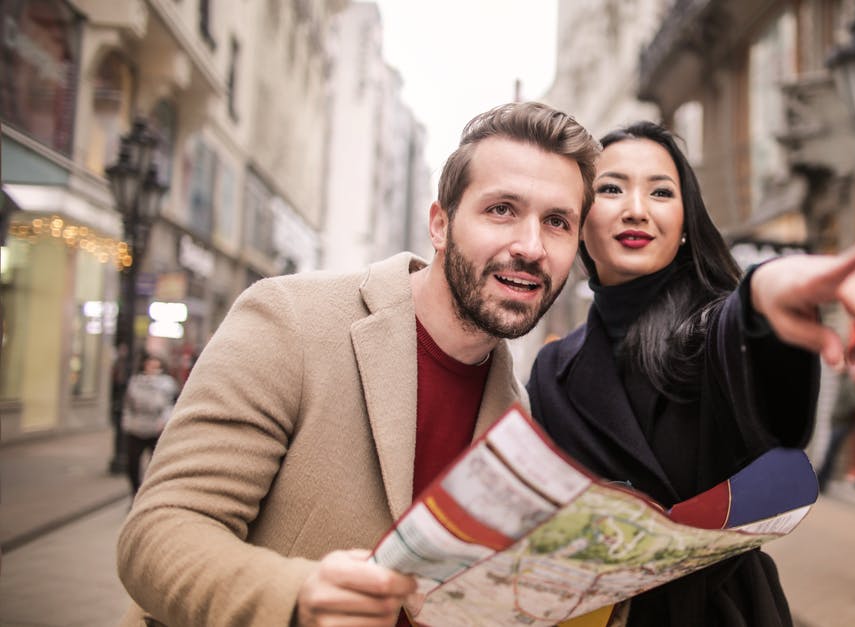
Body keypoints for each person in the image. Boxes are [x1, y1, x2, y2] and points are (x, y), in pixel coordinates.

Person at [116, 102, 600, 627]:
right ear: (440, 224)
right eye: (502, 209)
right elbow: (158, 533)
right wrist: (297, 596)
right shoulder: (290, 318)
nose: (530, 247)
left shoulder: (516, 414)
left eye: (556, 222)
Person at [526, 122, 855, 627]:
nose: (637, 208)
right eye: (611, 188)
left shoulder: (712, 331)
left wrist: (766, 290)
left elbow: (754, 352)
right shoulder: (552, 370)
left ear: (684, 223)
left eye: (661, 191)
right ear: (579, 218)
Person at [120, 351, 179, 495]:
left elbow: (170, 404)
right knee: (132, 464)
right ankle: (135, 493)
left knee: (156, 464)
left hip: (156, 429)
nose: (153, 368)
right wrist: (127, 423)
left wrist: (164, 421)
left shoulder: (166, 384)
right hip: (137, 428)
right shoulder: (136, 382)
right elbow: (128, 405)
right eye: (150, 365)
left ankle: (152, 493)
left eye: (156, 366)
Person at [816, 364, 855, 490]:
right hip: (838, 423)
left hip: (842, 423)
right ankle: (822, 481)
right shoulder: (843, 382)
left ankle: (822, 482)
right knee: (831, 453)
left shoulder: (848, 383)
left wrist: (845, 416)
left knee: (830, 453)